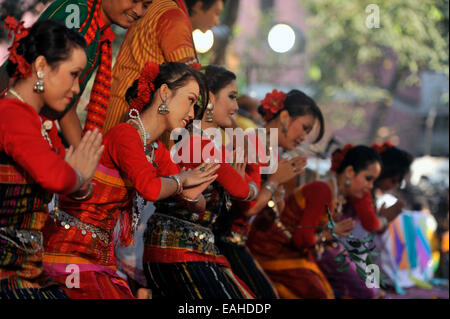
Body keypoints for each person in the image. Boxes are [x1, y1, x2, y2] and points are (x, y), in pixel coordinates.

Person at [42, 62, 219, 299]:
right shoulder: (125, 135)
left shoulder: (156, 152)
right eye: (190, 100)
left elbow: (191, 201)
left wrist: (195, 188)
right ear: (164, 93)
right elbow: (151, 189)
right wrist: (183, 179)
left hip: (100, 258)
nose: (191, 114)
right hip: (69, 252)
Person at [0, 19, 103, 299]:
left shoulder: (42, 123)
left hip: (26, 269)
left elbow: (75, 183)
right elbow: (57, 176)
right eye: (74, 74)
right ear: (42, 66)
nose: (77, 87)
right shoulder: (10, 114)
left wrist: (79, 180)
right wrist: (78, 177)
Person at [142, 65, 263, 299]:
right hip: (179, 254)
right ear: (209, 99)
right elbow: (245, 192)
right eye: (231, 97)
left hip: (193, 252)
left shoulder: (204, 144)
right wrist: (254, 159)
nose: (236, 107)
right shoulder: (198, 144)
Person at [213, 88, 325, 299]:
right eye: (304, 128)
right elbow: (248, 208)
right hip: (222, 238)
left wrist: (276, 198)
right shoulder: (253, 143)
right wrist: (274, 183)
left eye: (307, 133)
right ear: (284, 117)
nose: (303, 137)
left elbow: (265, 214)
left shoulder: (271, 150)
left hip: (237, 239)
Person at [248, 145, 382, 299]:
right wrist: (330, 233)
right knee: (318, 293)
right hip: (270, 249)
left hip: (291, 249)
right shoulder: (322, 190)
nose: (370, 187)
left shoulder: (333, 192)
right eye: (368, 179)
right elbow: (301, 239)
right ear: (350, 172)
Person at [35, 0, 151, 147]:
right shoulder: (77, 11)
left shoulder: (99, 36)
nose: (139, 11)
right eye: (134, 1)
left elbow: (68, 110)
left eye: (145, 5)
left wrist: (89, 160)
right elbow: (23, 68)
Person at [102, 0, 225, 133]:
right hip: (134, 116)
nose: (217, 21)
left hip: (117, 105)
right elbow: (192, 82)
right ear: (199, 5)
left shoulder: (155, 5)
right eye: (216, 13)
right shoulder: (173, 18)